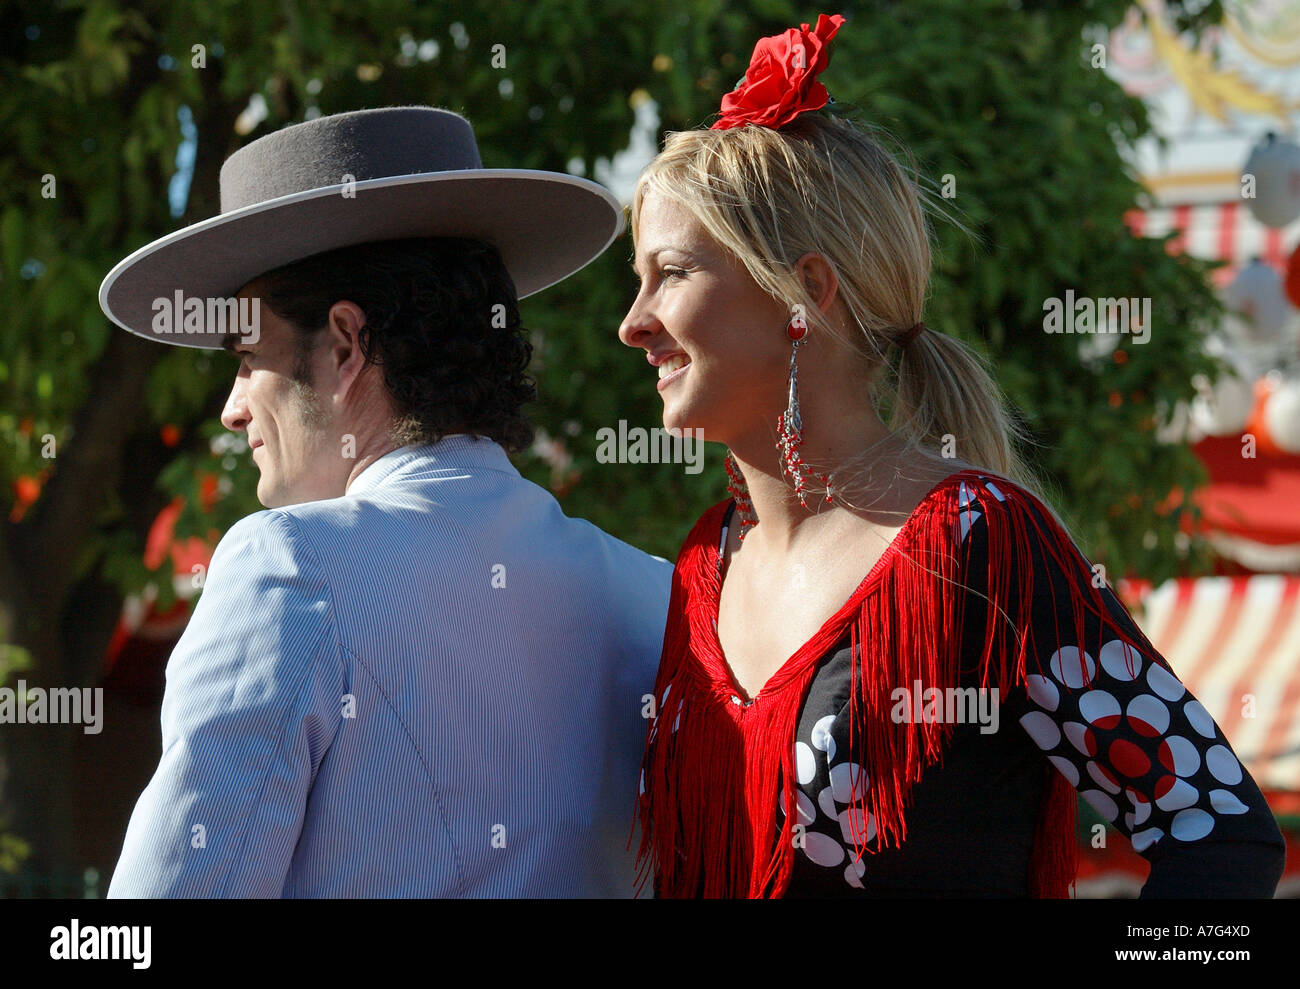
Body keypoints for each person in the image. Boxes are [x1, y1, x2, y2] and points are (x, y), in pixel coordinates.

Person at [620, 15, 1286, 897]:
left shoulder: (983, 542)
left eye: (670, 273)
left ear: (804, 294)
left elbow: (1221, 838)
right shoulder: (705, 561)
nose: (634, 323)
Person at [99, 106, 671, 896]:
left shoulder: (291, 567)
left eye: (245, 359)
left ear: (343, 344)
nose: (233, 409)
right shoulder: (656, 589)